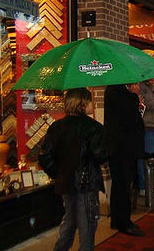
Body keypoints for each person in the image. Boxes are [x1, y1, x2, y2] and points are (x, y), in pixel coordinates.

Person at [39, 88, 107, 251]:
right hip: (86, 182)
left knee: (69, 221)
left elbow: (44, 156)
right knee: (87, 226)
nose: (92, 103)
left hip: (66, 183)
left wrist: (58, 173)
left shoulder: (57, 127)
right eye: (89, 100)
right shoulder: (93, 128)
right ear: (83, 103)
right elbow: (101, 155)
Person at [104, 83, 145, 236]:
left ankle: (116, 219)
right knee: (123, 185)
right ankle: (124, 222)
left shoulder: (113, 91)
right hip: (123, 148)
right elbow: (130, 118)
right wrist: (134, 95)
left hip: (117, 147)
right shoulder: (120, 93)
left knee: (118, 185)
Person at [137, 79, 154, 197]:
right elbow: (144, 103)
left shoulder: (150, 86)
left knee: (151, 155)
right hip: (146, 124)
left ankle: (150, 185)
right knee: (146, 157)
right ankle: (145, 186)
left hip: (153, 123)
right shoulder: (140, 86)